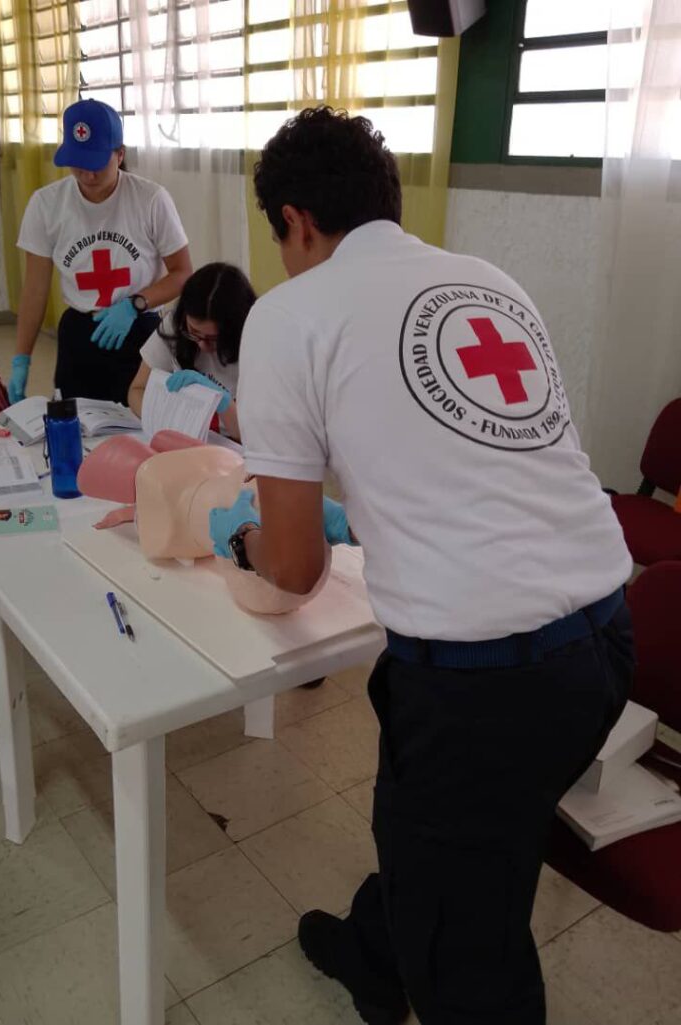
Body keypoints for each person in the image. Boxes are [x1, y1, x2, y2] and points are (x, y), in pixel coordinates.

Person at [208, 107, 634, 1025]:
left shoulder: (287, 316)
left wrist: (242, 537)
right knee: (450, 837)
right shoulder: (486, 278)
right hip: (605, 635)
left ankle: (418, 961)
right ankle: (375, 948)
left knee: (469, 953)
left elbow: (291, 572)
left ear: (295, 221)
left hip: (485, 684)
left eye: (279, 237)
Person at [8, 98, 192, 407]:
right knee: (78, 424)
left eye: (96, 164)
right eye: (79, 164)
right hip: (80, 332)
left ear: (119, 155)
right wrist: (21, 358)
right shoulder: (46, 204)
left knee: (142, 424)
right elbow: (35, 288)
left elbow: (183, 274)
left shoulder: (150, 199)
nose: (88, 176)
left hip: (138, 329)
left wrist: (135, 304)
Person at [128, 262, 255, 441]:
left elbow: (254, 435)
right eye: (194, 332)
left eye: (213, 339)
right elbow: (137, 389)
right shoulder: (174, 325)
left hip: (234, 447)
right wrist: (162, 418)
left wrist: (225, 404)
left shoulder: (257, 341)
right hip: (185, 438)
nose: (202, 346)